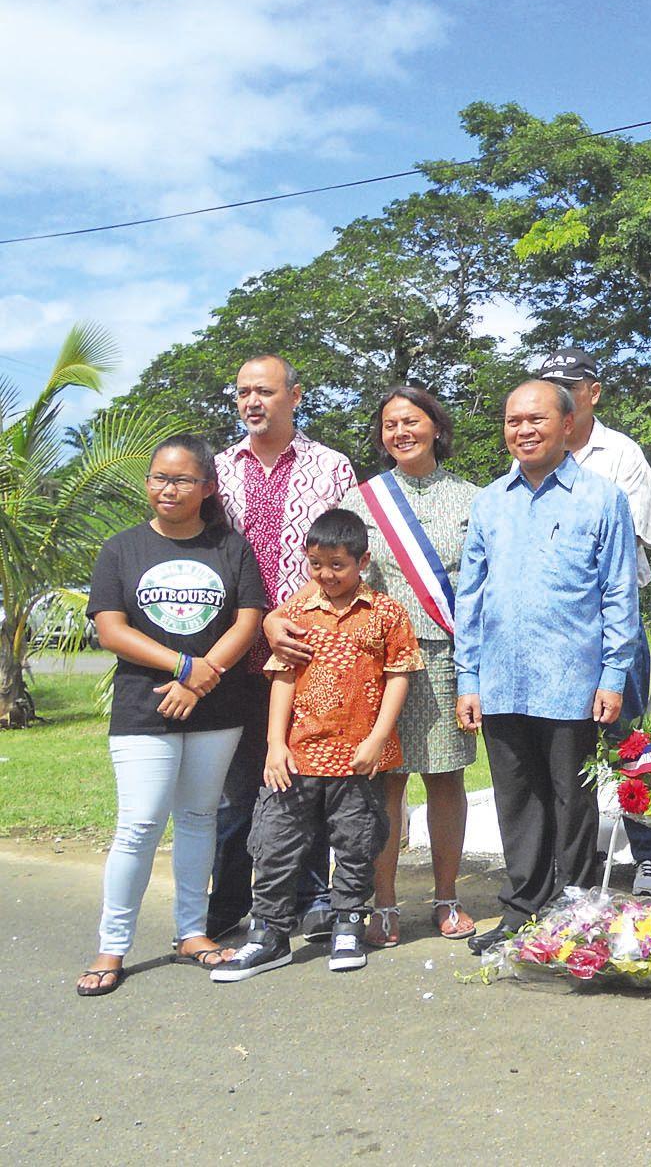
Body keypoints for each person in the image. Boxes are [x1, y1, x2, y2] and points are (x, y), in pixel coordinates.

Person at [454, 380, 642, 956]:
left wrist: (613, 675)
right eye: (513, 421)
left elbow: (619, 593)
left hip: (572, 681)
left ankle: (574, 912)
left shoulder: (602, 499)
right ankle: (522, 909)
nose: (524, 430)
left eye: (536, 419)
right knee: (516, 800)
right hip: (501, 680)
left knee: (572, 800)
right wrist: (468, 677)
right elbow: (471, 594)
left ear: (567, 424)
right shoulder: (490, 502)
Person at [76, 435, 267, 995]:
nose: (169, 488)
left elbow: (248, 620)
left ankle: (192, 933)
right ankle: (112, 947)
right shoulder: (121, 549)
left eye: (183, 480)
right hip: (145, 706)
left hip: (218, 707)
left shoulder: (230, 547)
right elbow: (111, 630)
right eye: (160, 477)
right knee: (139, 824)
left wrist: (204, 676)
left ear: (206, 488)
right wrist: (186, 667)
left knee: (200, 817)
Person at [212, 509, 421, 981]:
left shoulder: (386, 613)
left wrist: (378, 738)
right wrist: (274, 744)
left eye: (337, 565)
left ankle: (348, 923)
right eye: (316, 565)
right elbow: (282, 677)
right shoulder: (296, 614)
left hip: (358, 759)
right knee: (275, 843)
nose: (325, 575)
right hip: (297, 756)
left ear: (363, 561)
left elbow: (399, 676)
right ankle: (269, 934)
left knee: (356, 842)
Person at [208, 354, 357, 943]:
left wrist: (285, 618)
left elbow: (344, 556)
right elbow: (209, 556)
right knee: (237, 790)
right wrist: (260, 620)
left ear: (294, 396)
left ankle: (312, 900)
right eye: (243, 391)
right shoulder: (218, 471)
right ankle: (228, 905)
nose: (252, 401)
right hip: (234, 653)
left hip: (308, 655)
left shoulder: (331, 467)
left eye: (265, 391)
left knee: (309, 782)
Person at [325, 387, 480, 947]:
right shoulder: (362, 500)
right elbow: (337, 576)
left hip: (447, 657)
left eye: (411, 421)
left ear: (436, 426)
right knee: (384, 783)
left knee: (445, 777)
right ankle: (383, 903)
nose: (401, 432)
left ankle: (447, 897)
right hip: (379, 664)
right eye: (390, 424)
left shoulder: (474, 499)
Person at [538, 347, 651, 899]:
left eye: (570, 387)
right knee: (563, 748)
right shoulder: (530, 454)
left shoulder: (622, 454)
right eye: (551, 387)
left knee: (627, 742)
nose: (561, 397)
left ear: (593, 393)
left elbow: (622, 545)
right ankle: (573, 861)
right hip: (553, 631)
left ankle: (649, 855)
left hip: (612, 626)